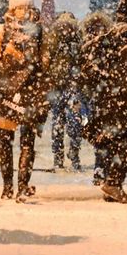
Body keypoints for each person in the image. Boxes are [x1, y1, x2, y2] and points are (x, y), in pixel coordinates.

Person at [0, 0, 50, 201]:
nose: (22, 11)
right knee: (6, 140)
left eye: (26, 7)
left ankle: (22, 186)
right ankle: (8, 186)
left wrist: (36, 65)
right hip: (6, 90)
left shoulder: (39, 31)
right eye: (19, 7)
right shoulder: (1, 30)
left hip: (27, 91)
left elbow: (45, 59)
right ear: (12, 8)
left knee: (27, 141)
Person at [86, 0, 127, 203]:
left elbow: (90, 63)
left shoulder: (111, 32)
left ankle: (111, 182)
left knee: (117, 139)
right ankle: (113, 182)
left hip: (110, 97)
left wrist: (104, 84)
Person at [45, 11, 85, 172]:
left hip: (59, 86)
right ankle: (72, 153)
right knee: (73, 120)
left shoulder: (53, 37)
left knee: (59, 122)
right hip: (71, 86)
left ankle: (59, 156)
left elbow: (47, 59)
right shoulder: (77, 37)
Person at [78, 11, 113, 185]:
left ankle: (101, 168)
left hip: (97, 96)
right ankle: (101, 168)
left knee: (99, 133)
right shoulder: (101, 46)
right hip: (95, 96)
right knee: (96, 132)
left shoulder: (88, 46)